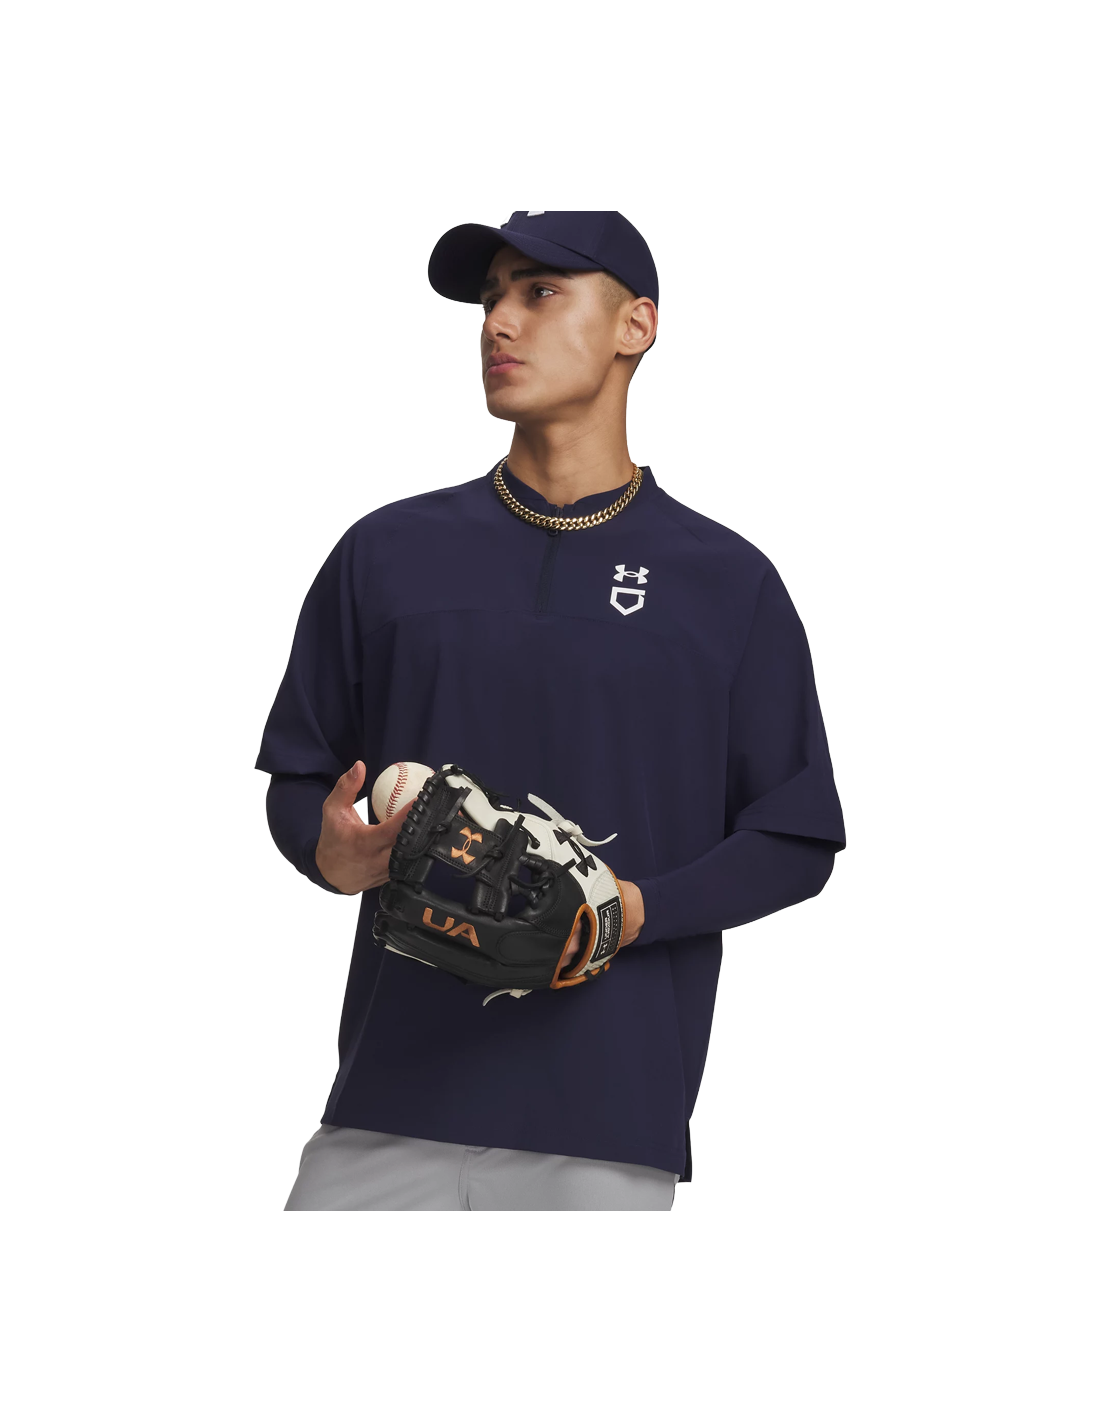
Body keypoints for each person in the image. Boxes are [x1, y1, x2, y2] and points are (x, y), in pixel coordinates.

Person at [256, 210, 846, 1211]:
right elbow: (302, 773)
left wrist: (632, 910)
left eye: (539, 292)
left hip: (602, 1126)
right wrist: (328, 852)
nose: (498, 322)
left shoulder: (726, 583)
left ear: (635, 325)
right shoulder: (386, 552)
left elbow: (794, 837)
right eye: (491, 298)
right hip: (387, 1100)